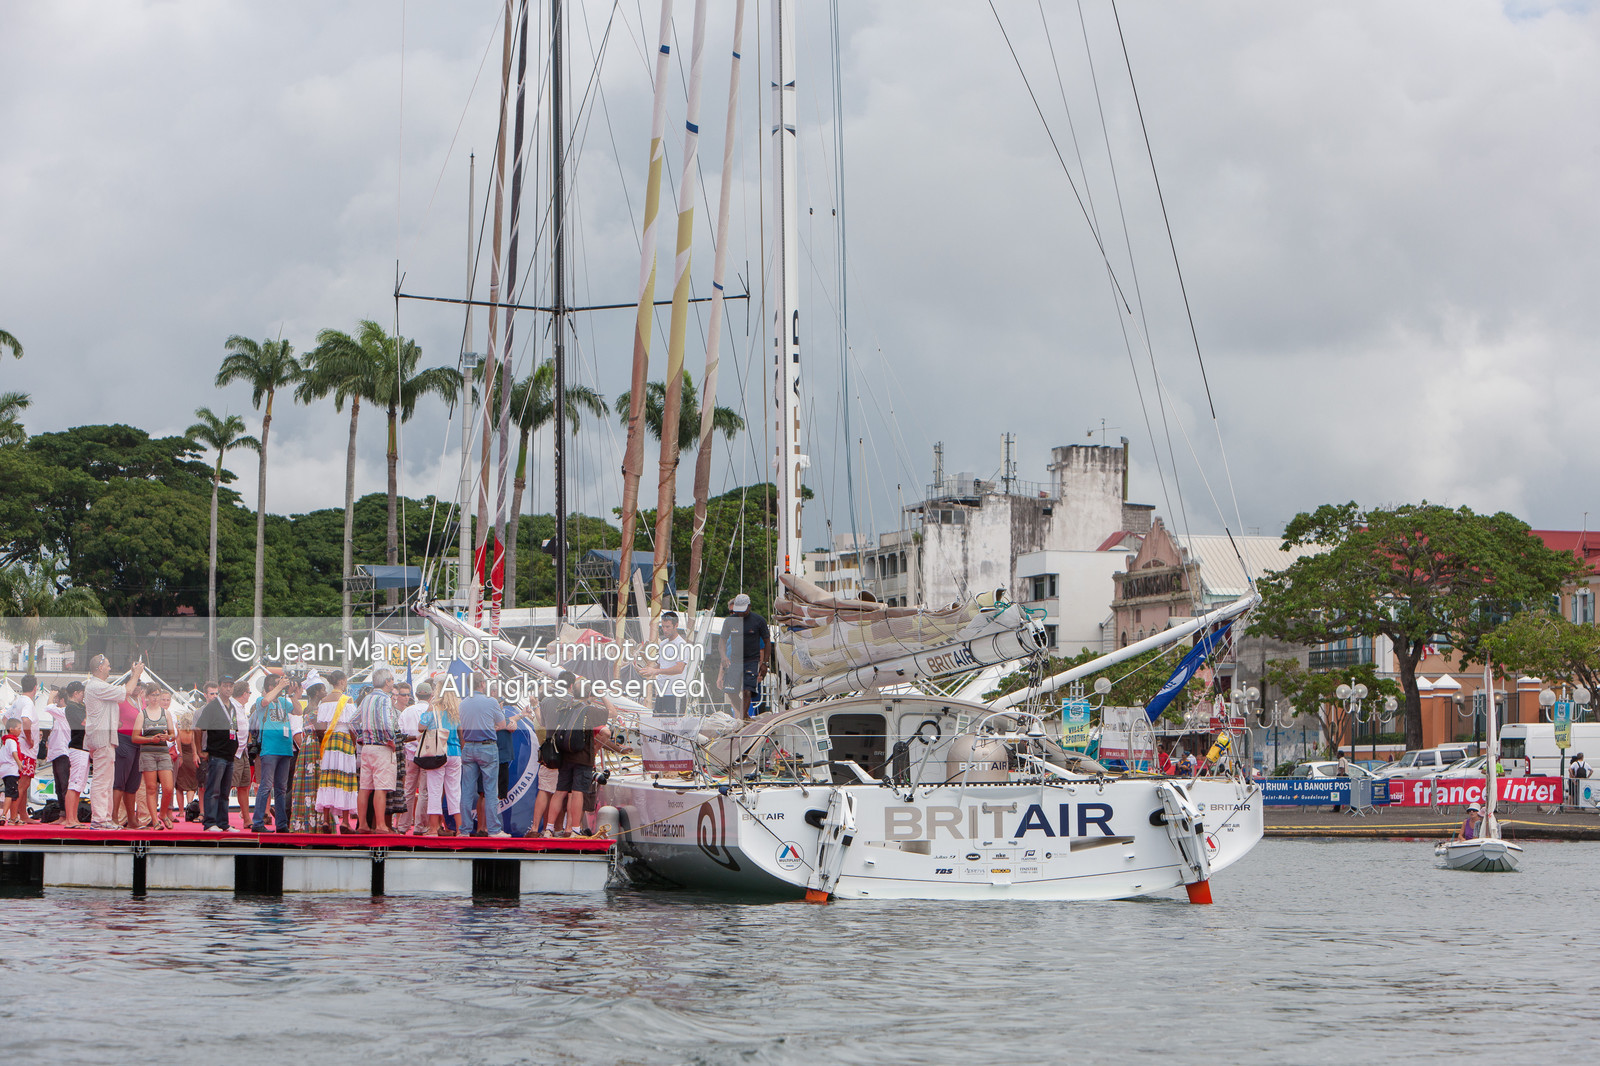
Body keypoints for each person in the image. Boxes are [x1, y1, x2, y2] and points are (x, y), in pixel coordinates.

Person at [457, 673, 509, 837]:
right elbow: (502, 724)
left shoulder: (462, 703)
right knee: (490, 790)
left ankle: (464, 830)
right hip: (487, 747)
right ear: (482, 684)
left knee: (466, 791)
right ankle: (493, 830)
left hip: (468, 747)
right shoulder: (491, 701)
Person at [352, 667, 400, 833]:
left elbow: (352, 721)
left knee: (365, 787)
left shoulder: (367, 698)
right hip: (381, 747)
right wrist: (391, 739)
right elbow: (386, 723)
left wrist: (361, 736)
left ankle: (363, 824)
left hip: (367, 747)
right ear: (387, 682)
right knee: (381, 787)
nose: (393, 682)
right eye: (392, 679)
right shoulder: (385, 699)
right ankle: (380, 825)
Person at [250, 676, 297, 834]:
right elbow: (265, 701)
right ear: (270, 686)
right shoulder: (261, 701)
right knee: (266, 786)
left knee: (281, 789)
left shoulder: (283, 701)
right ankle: (257, 822)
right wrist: (280, 687)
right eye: (277, 684)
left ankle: (282, 824)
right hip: (270, 749)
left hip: (285, 749)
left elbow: (298, 710)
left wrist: (292, 693)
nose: (281, 686)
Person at [314, 672, 360, 834]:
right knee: (345, 778)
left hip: (329, 742)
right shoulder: (347, 700)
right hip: (344, 740)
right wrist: (354, 744)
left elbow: (321, 727)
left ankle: (326, 819)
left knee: (328, 778)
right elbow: (352, 726)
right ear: (341, 681)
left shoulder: (324, 701)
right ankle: (345, 821)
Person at [198, 679, 246, 832]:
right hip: (216, 753)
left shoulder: (232, 707)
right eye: (225, 686)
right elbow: (199, 728)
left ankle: (223, 822)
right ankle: (210, 822)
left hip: (229, 753)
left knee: (225, 791)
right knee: (213, 790)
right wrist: (200, 750)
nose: (228, 689)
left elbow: (234, 728)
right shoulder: (212, 706)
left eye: (231, 686)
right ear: (220, 687)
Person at [416, 687, 462, 837]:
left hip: (437, 753)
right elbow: (462, 734)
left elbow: (421, 727)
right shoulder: (456, 710)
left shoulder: (433, 709)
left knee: (435, 791)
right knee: (454, 792)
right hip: (455, 752)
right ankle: (461, 829)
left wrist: (429, 712)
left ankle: (433, 829)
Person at [717, 593, 770, 718]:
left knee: (747, 690)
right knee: (730, 691)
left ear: (749, 607)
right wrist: (723, 656)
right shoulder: (729, 621)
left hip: (752, 660)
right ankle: (745, 715)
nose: (740, 613)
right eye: (737, 611)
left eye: (743, 610)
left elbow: (767, 642)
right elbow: (722, 641)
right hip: (735, 661)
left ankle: (742, 717)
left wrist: (765, 663)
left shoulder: (759, 621)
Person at [132, 683, 176, 829]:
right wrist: (150, 739)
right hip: (148, 753)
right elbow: (135, 737)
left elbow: (173, 735)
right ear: (147, 697)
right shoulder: (142, 714)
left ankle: (162, 813)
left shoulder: (166, 713)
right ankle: (155, 820)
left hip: (163, 752)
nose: (155, 698)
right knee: (151, 788)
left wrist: (167, 737)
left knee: (168, 787)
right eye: (153, 695)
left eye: (157, 695)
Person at [289, 681, 327, 832]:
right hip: (315, 747)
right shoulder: (316, 710)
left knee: (306, 783)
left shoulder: (307, 708)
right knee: (315, 783)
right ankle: (315, 822)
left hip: (307, 746)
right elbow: (320, 731)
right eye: (323, 689)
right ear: (317, 692)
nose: (325, 692)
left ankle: (304, 821)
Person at [639, 611, 692, 716]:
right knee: (657, 721)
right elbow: (660, 665)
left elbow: (679, 668)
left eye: (668, 627)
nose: (665, 630)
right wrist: (646, 670)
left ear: (676, 626)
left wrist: (655, 671)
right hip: (661, 692)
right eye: (663, 627)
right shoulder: (663, 644)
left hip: (675, 693)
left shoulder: (681, 644)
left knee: (673, 723)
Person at [398, 681, 429, 831]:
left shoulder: (407, 711)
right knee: (423, 791)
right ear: (431, 695)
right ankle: (420, 826)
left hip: (410, 754)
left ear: (416, 695)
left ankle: (403, 825)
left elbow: (400, 734)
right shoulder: (432, 710)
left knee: (408, 790)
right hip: (426, 754)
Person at [8, 674, 39, 819]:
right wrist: (28, 738)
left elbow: (5, 718)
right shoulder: (28, 703)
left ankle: (23, 814)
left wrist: (12, 735)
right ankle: (14, 816)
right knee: (23, 783)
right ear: (35, 687)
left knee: (23, 783)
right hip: (26, 749)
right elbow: (26, 720)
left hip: (18, 746)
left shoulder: (17, 701)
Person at [42, 684, 72, 823]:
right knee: (59, 786)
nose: (55, 701)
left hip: (63, 753)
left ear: (62, 700)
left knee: (64, 785)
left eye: (57, 699)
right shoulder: (61, 714)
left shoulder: (64, 711)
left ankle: (68, 815)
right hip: (57, 753)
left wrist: (51, 696)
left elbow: (48, 707)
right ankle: (63, 814)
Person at [61, 681, 87, 828]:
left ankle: (74, 818)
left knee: (78, 786)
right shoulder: (71, 707)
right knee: (74, 784)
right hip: (78, 748)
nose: (83, 696)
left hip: (83, 748)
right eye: (82, 693)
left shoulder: (79, 706)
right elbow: (84, 722)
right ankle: (70, 819)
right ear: (76, 693)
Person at [0, 719, 23, 824]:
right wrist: (19, 763)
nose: (20, 730)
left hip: (5, 770)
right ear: (11, 729)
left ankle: (14, 817)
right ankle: (4, 815)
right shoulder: (11, 741)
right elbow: (14, 753)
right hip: (11, 770)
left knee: (14, 794)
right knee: (10, 793)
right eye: (18, 728)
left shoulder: (5, 742)